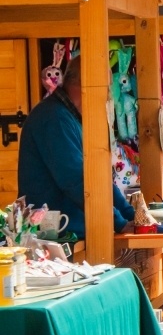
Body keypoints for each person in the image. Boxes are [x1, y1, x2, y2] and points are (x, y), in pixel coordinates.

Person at [18, 55, 134, 238]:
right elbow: (77, 181)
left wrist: (131, 215)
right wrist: (119, 222)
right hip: (56, 235)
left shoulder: (69, 116)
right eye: (107, 88)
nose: (109, 95)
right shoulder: (54, 118)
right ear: (87, 85)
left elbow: (98, 180)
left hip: (70, 231)